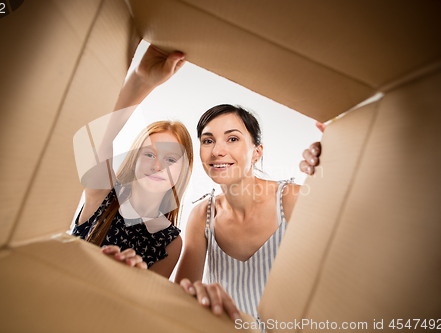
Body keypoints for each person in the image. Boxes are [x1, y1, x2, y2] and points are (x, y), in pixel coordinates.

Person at [174, 104, 322, 321]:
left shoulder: (292, 200)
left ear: (257, 153)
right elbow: (179, 306)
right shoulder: (203, 217)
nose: (217, 151)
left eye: (232, 139)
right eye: (208, 140)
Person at [72, 45, 192, 279]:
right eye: (149, 154)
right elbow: (97, 136)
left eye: (170, 159)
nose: (158, 165)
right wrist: (141, 80)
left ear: (183, 171)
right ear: (134, 159)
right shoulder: (103, 193)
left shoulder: (172, 242)